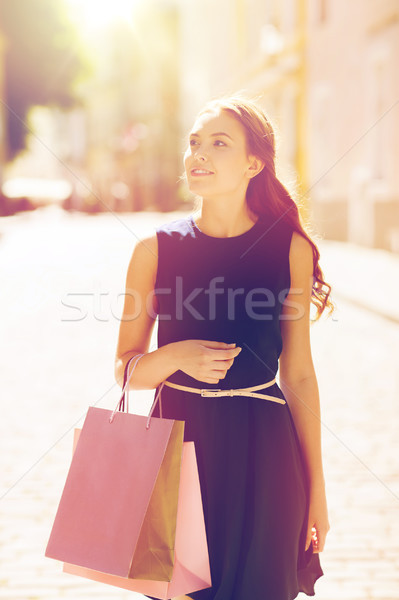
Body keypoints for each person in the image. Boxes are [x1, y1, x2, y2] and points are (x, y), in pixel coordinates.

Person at [115, 95, 333, 600]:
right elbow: (125, 371)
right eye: (194, 142)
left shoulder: (290, 251)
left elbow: (298, 374)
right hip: (179, 452)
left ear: (254, 163)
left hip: (267, 455)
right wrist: (174, 358)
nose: (199, 154)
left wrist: (317, 489)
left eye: (218, 143)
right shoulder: (153, 250)